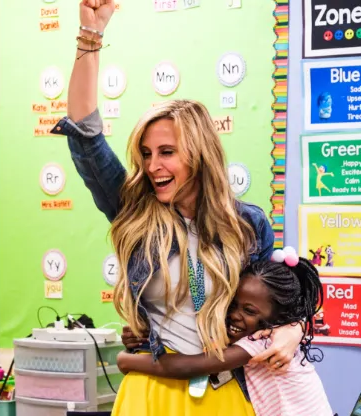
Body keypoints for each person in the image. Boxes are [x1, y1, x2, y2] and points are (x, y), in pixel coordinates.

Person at [52, 1, 305, 414]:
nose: (153, 166)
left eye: (167, 152)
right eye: (147, 153)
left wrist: (293, 329)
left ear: (199, 154)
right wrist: (90, 35)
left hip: (224, 391)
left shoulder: (249, 223)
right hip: (151, 387)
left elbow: (274, 304)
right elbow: (85, 135)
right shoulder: (134, 210)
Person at [116, 249, 333, 416]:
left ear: (277, 318)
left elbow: (190, 366)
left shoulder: (262, 343)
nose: (235, 315)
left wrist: (126, 360)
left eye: (249, 310)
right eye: (232, 305)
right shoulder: (257, 334)